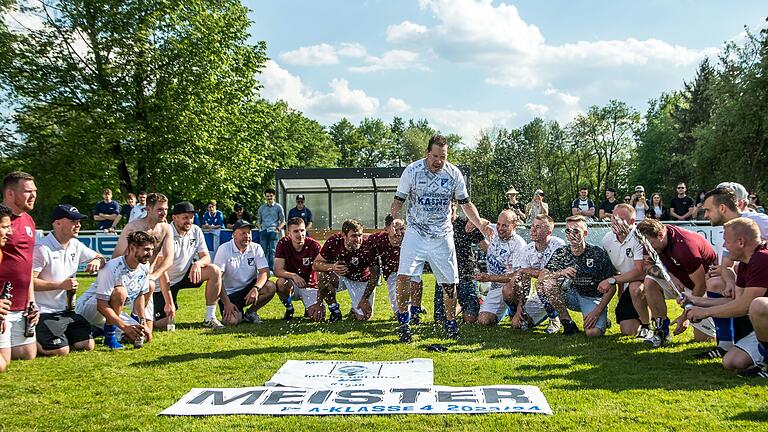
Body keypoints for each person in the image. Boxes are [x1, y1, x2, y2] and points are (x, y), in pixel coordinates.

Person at [391, 134, 489, 342]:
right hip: (416, 232)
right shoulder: (412, 171)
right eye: (435, 156)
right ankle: (403, 322)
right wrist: (397, 219)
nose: (438, 161)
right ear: (428, 153)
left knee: (449, 283)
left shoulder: (453, 174)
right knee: (403, 276)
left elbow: (466, 204)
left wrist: (480, 224)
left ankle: (451, 324)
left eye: (442, 157)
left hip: (442, 234)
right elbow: (397, 202)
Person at [682, 218, 767, 374]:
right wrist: (695, 300)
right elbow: (735, 301)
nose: (723, 246)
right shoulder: (745, 263)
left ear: (741, 242)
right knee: (731, 362)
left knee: (759, 305)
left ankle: (766, 362)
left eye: (726, 241)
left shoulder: (762, 259)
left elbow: (744, 306)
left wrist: (704, 312)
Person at [695, 186, 768, 358]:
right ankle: (726, 343)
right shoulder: (730, 230)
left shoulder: (758, 220)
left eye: (708, 210)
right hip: (749, 280)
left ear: (722, 208)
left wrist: (704, 311)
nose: (705, 215)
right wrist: (729, 282)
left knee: (754, 304)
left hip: (759, 283)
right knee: (715, 282)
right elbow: (726, 266)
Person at [32, 205, 105, 356]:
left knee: (87, 344)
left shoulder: (75, 245)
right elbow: (29, 282)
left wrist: (97, 261)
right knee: (61, 350)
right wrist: (60, 285)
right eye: (73, 221)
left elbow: (100, 257)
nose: (78, 224)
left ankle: (61, 336)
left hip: (66, 312)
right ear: (57, 223)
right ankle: (30, 340)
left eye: (79, 221)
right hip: (44, 311)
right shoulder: (41, 249)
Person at [635, 218, 718, 348]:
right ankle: (661, 330)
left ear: (661, 235)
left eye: (649, 244)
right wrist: (671, 276)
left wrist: (684, 315)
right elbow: (647, 267)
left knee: (704, 340)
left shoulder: (684, 246)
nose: (646, 248)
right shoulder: (651, 238)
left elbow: (701, 285)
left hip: (705, 287)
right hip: (679, 282)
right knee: (650, 282)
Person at [536, 216, 615, 337]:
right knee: (547, 284)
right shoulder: (562, 252)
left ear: (585, 233)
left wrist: (597, 312)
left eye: (576, 231)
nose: (571, 234)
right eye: (568, 231)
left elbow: (612, 287)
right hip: (570, 295)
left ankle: (601, 318)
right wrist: (560, 272)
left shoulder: (597, 253)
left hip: (591, 297)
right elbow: (542, 276)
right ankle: (568, 324)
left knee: (592, 333)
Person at [76, 231, 155, 349]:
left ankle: (99, 329)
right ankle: (109, 336)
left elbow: (140, 296)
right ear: (132, 248)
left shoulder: (143, 267)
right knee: (120, 292)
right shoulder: (112, 267)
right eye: (146, 249)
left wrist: (142, 321)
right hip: (88, 309)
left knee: (142, 337)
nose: (150, 254)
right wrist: (124, 327)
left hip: (110, 311)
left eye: (152, 250)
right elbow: (101, 305)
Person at [152, 202, 224, 330]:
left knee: (214, 270)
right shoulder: (164, 232)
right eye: (185, 217)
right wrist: (169, 302)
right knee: (164, 324)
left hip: (186, 274)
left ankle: (210, 317)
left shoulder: (196, 230)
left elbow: (206, 257)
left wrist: (198, 264)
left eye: (191, 217)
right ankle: (148, 315)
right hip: (162, 283)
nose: (189, 221)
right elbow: (162, 270)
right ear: (174, 218)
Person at [112, 192, 174, 334]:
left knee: (147, 334)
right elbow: (116, 257)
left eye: (165, 209)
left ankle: (133, 319)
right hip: (127, 278)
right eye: (160, 209)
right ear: (148, 209)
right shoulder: (133, 227)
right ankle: (113, 326)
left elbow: (169, 258)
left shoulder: (166, 229)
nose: (164, 213)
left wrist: (153, 275)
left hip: (147, 280)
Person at [0, 172, 40, 372]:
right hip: (3, 305)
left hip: (22, 305)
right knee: (3, 364)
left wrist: (31, 301)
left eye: (35, 191)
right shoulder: (1, 222)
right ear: (9, 194)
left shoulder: (29, 221)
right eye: (27, 192)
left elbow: (28, 265)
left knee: (28, 354)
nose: (33, 196)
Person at [502, 214, 565, 332]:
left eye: (538, 227)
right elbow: (525, 282)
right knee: (520, 325)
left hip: (563, 290)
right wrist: (520, 307)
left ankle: (555, 318)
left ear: (549, 231)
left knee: (543, 282)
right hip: (542, 292)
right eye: (532, 226)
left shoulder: (558, 245)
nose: (533, 230)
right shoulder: (527, 250)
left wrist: (525, 270)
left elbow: (549, 274)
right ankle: (513, 313)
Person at [597, 204, 650, 337]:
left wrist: (612, 281)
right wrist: (620, 290)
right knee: (628, 331)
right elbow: (615, 270)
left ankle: (647, 325)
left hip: (649, 282)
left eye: (620, 219)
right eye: (613, 218)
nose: (616, 222)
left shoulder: (639, 237)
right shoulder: (607, 239)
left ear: (632, 222)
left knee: (635, 287)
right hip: (628, 285)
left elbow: (640, 272)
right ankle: (645, 314)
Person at [213, 220, 277, 325]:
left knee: (270, 287)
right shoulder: (224, 249)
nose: (247, 236)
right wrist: (227, 303)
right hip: (230, 294)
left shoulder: (256, 247)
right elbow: (217, 279)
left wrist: (256, 288)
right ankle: (236, 313)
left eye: (249, 232)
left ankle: (250, 313)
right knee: (232, 322)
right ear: (234, 235)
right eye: (243, 233)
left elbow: (264, 272)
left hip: (249, 289)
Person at [434, 199, 487, 324]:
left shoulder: (466, 224)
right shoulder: (438, 226)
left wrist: (481, 223)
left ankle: (480, 300)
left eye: (451, 206)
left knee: (470, 320)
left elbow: (485, 247)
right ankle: (455, 307)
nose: (448, 210)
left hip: (466, 274)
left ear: (455, 205)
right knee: (439, 320)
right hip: (444, 275)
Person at [313, 219, 377, 321]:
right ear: (343, 235)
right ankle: (335, 311)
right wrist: (332, 267)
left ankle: (354, 310)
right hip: (342, 277)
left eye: (360, 235)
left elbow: (375, 276)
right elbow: (316, 264)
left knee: (364, 317)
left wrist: (365, 299)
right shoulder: (334, 241)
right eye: (354, 236)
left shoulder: (368, 246)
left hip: (362, 279)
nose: (358, 239)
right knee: (324, 276)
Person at [475, 210, 526, 326]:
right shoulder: (495, 230)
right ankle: (493, 304)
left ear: (514, 226)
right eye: (498, 224)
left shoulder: (519, 245)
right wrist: (484, 224)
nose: (500, 228)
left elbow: (516, 277)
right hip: (494, 287)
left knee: (508, 290)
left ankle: (513, 310)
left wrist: (489, 277)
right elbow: (475, 220)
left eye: (505, 225)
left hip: (512, 287)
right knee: (484, 321)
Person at [359, 215, 410, 317]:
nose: (399, 233)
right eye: (396, 229)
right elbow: (374, 274)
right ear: (386, 229)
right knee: (399, 313)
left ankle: (414, 306)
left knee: (406, 311)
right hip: (392, 274)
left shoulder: (410, 239)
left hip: (408, 274)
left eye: (402, 229)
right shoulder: (376, 240)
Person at [274, 217, 323, 322]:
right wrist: (294, 276)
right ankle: (289, 308)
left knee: (318, 317)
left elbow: (322, 271)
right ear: (289, 233)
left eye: (302, 230)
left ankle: (308, 307)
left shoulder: (314, 245)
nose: (300, 234)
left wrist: (319, 301)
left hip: (310, 286)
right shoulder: (283, 244)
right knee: (281, 283)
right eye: (296, 231)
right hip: (292, 284)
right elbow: (278, 270)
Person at [257, 188, 285, 273]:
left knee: (273, 251)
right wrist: (260, 229)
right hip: (264, 231)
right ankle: (263, 269)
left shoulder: (278, 207)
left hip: (273, 230)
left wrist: (278, 229)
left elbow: (283, 221)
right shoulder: (261, 208)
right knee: (262, 251)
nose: (269, 198)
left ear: (274, 196)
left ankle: (272, 269)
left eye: (271, 196)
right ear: (265, 197)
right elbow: (258, 221)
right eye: (267, 196)